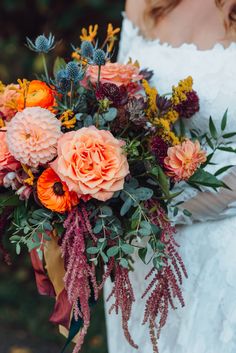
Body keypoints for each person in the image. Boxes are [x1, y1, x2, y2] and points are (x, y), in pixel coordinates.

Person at [104, 1, 236, 352]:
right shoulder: (145, 3)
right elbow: (118, 105)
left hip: (223, 251)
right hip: (141, 248)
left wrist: (170, 203)